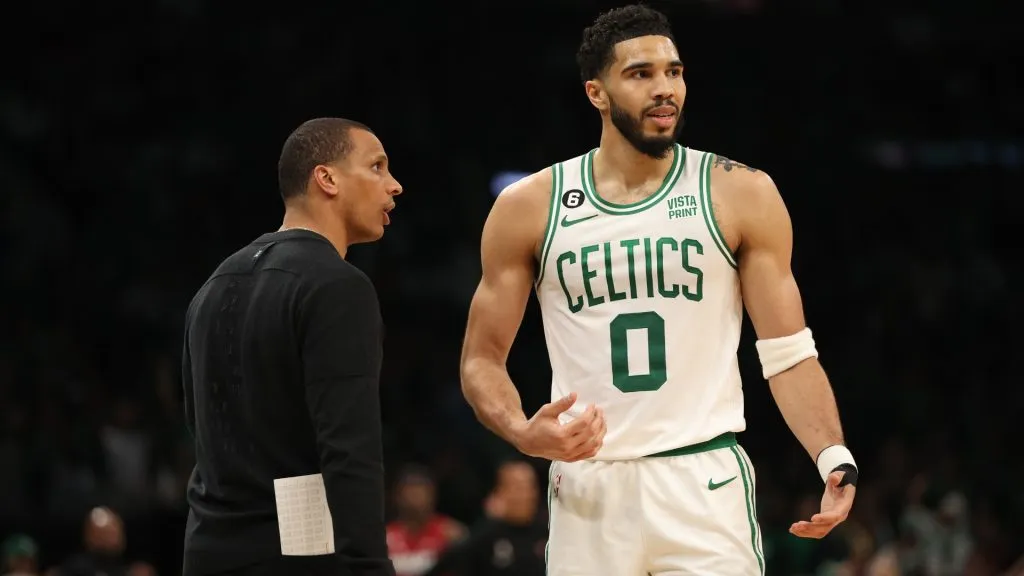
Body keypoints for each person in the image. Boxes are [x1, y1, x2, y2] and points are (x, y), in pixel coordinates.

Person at [459, 5, 858, 574]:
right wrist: (522, 431)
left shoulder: (739, 192)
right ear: (596, 92)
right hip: (588, 484)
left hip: (703, 478)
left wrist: (832, 455)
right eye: (641, 74)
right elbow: (480, 359)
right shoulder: (530, 206)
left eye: (674, 72)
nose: (665, 88)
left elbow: (788, 351)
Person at [181, 117, 402, 576]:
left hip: (207, 551)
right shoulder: (339, 286)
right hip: (297, 555)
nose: (394, 185)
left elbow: (200, 435)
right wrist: (369, 565)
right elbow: (349, 448)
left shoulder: (213, 284)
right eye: (377, 167)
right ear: (327, 178)